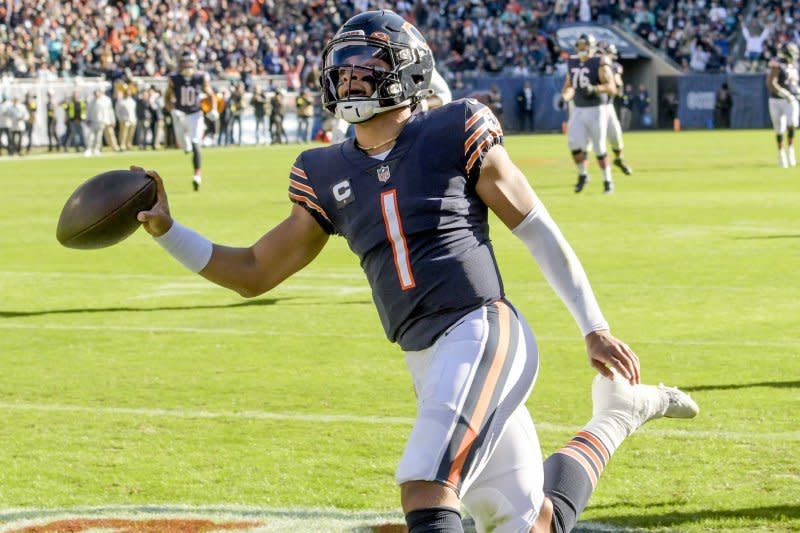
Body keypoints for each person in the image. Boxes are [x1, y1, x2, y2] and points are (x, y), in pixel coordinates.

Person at [135, 11, 698, 533]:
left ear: (409, 70)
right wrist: (169, 231)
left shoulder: (454, 129)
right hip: (423, 356)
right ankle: (619, 413)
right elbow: (254, 271)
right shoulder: (323, 168)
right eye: (343, 66)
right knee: (531, 523)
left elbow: (536, 227)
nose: (351, 78)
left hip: (481, 329)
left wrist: (592, 325)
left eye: (368, 65)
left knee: (427, 487)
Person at [561, 33, 617, 194]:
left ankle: (608, 180)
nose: (581, 49)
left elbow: (612, 88)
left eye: (584, 46)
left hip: (596, 108)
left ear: (591, 47)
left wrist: (596, 88)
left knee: (599, 146)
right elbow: (570, 85)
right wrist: (564, 97)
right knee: (573, 143)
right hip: (578, 108)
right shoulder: (572, 62)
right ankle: (583, 174)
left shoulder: (600, 62)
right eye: (579, 46)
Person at [165, 50, 218, 191]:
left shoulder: (200, 77)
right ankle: (186, 147)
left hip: (195, 114)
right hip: (180, 114)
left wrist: (213, 109)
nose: (187, 65)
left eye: (189, 62)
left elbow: (211, 94)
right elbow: (167, 98)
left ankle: (197, 176)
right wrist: (172, 111)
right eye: (184, 62)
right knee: (185, 147)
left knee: (195, 145)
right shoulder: (174, 78)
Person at [600, 43, 632, 175]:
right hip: (593, 106)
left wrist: (616, 83)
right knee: (594, 141)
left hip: (608, 105)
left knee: (616, 135)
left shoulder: (614, 67)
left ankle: (619, 159)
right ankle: (583, 172)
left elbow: (618, 85)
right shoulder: (595, 66)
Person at [766, 42, 799, 168]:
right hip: (776, 100)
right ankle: (781, 154)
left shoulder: (795, 66)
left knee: (792, 124)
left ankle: (790, 150)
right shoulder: (778, 64)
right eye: (793, 51)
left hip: (791, 100)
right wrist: (785, 93)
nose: (795, 54)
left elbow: (795, 83)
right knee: (779, 129)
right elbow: (771, 83)